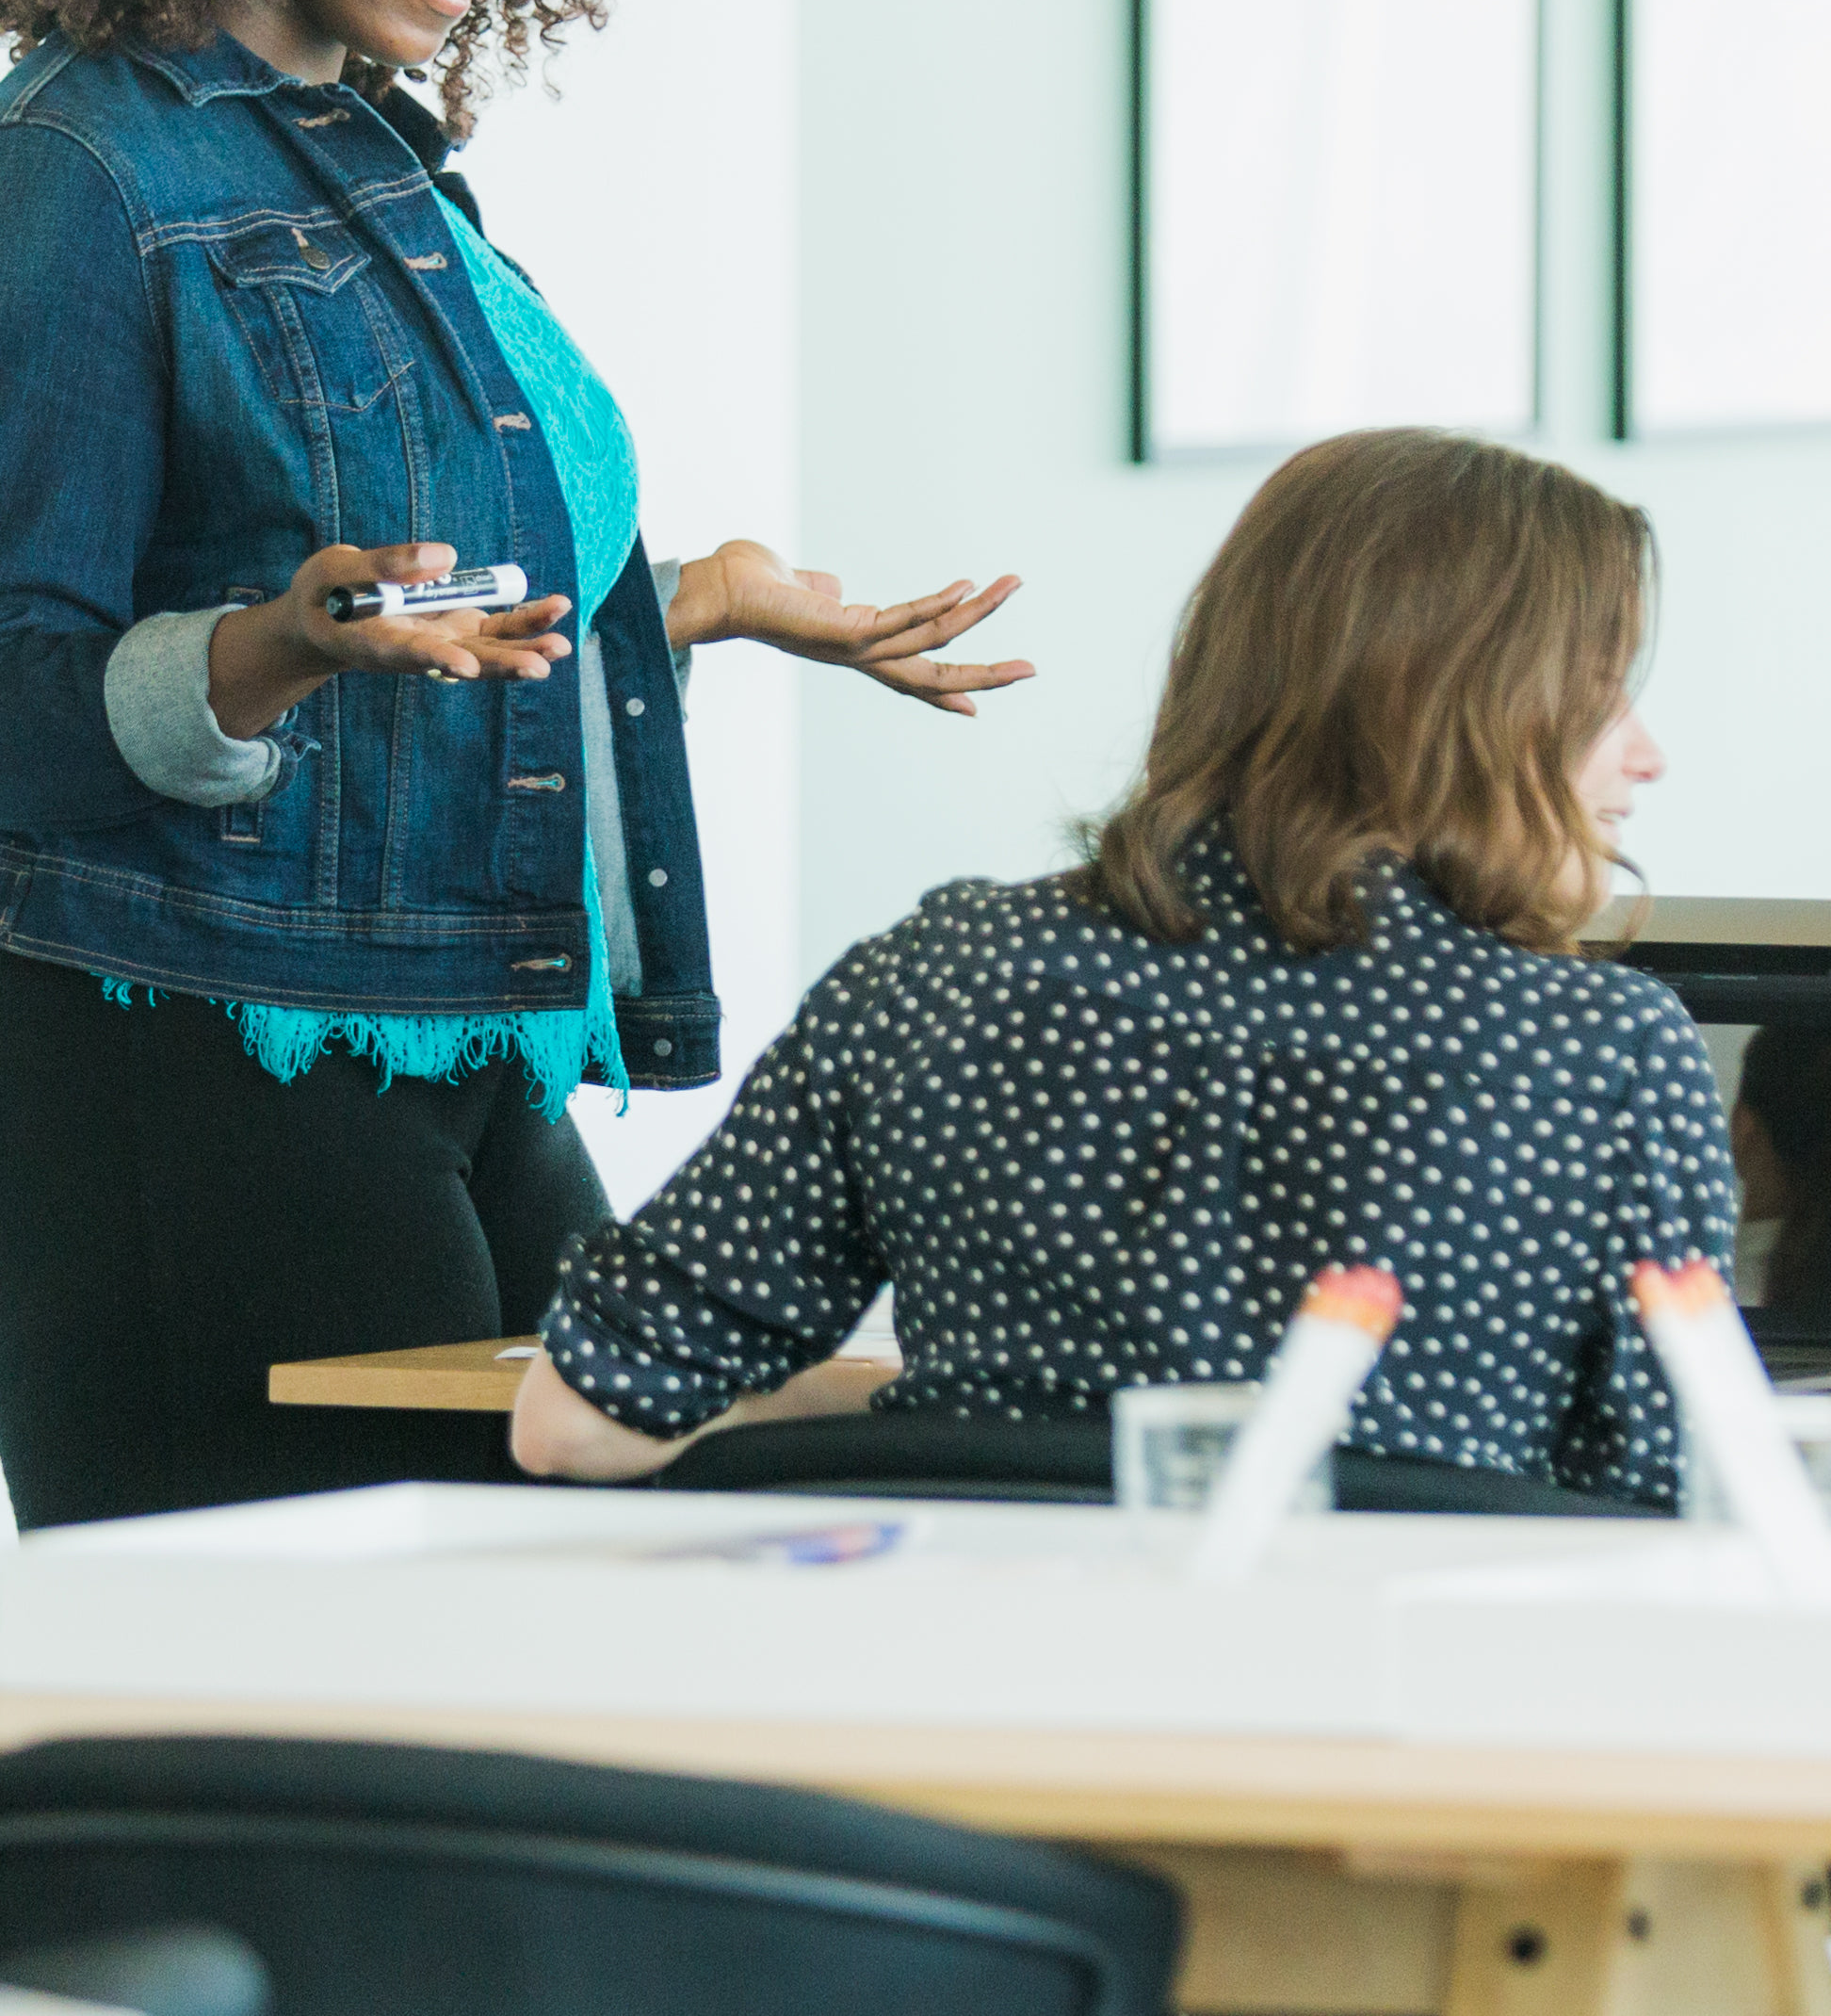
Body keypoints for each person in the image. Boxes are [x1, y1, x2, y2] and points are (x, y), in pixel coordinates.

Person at [0, 0, 1029, 1531]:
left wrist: (679, 606)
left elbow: (414, 607)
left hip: (422, 1031)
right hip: (155, 1061)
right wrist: (268, 648)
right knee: (317, 1718)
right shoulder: (52, 188)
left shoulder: (361, 167)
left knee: (576, 1560)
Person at [508, 429, 1743, 1507]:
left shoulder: (941, 974)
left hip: (972, 1719)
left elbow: (572, 1422)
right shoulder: (1601, 1048)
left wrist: (931, 1442)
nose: (1647, 756)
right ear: (1464, 705)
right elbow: (1666, 1503)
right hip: (1384, 1722)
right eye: (1605, 699)